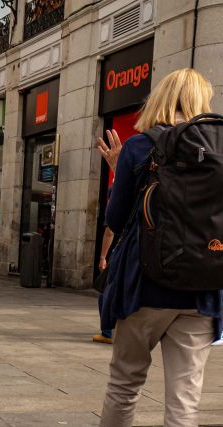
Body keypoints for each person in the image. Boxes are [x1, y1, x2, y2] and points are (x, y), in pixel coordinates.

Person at [88, 68, 223, 427]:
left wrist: (119, 171)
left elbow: (116, 217)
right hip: (202, 289)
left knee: (125, 379)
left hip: (145, 284)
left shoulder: (140, 146)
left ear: (159, 98)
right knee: (185, 399)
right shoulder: (221, 149)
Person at [93, 129, 123, 345]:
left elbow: (110, 229)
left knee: (107, 290)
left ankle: (107, 331)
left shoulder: (116, 190)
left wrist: (103, 256)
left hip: (124, 248)